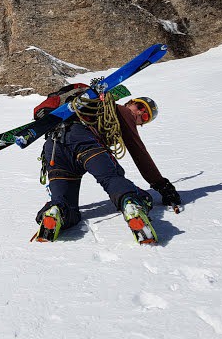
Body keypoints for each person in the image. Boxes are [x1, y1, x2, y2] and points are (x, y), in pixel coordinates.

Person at [34, 96, 182, 242]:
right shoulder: (122, 111)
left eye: (145, 116)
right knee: (115, 180)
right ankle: (132, 205)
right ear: (131, 102)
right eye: (140, 107)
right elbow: (138, 151)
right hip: (84, 142)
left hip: (54, 147)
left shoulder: (96, 110)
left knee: (67, 208)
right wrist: (161, 185)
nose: (139, 114)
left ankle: (54, 212)